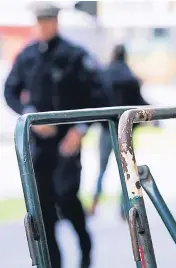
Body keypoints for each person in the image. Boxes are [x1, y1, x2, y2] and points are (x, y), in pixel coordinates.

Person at [3, 3, 109, 268]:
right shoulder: (27, 56)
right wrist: (30, 116)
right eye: (39, 21)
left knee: (67, 197)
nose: (43, 26)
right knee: (44, 207)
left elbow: (98, 97)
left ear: (56, 22)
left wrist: (79, 129)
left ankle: (85, 248)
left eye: (47, 21)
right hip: (39, 145)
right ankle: (54, 262)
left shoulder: (74, 55)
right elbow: (11, 91)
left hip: (67, 144)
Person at [89, 44, 150, 218]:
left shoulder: (103, 75)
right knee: (125, 170)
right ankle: (125, 209)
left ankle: (94, 202)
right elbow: (138, 102)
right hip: (124, 130)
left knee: (101, 168)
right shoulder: (130, 77)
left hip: (107, 127)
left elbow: (96, 99)